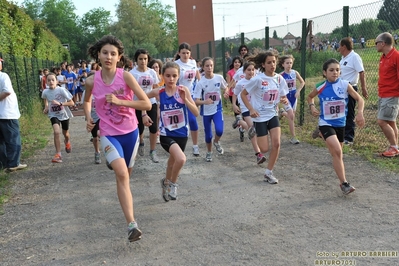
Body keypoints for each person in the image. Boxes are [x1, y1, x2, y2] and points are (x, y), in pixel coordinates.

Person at [83, 35, 151, 242]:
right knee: (121, 174)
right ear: (98, 55)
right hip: (108, 133)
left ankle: (114, 161)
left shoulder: (127, 77)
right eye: (105, 53)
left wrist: (122, 101)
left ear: (119, 57)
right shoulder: (91, 81)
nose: (108, 57)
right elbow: (86, 101)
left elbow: (146, 104)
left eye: (113, 54)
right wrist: (88, 118)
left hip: (130, 133)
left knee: (126, 177)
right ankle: (132, 225)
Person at [307, 58, 365, 195]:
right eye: (331, 70)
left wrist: (360, 113)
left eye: (337, 70)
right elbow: (310, 97)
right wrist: (312, 107)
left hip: (341, 124)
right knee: (338, 151)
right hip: (326, 122)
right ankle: (345, 183)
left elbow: (359, 99)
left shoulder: (345, 84)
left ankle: (341, 183)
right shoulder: (320, 86)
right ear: (325, 73)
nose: (335, 73)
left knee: (336, 155)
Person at [147, 62, 199, 201]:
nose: (171, 79)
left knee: (172, 162)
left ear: (178, 76)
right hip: (166, 134)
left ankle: (165, 183)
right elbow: (142, 98)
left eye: (174, 76)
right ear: (163, 76)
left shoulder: (183, 90)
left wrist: (185, 100)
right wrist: (144, 114)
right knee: (181, 159)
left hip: (182, 134)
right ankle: (173, 185)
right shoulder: (159, 92)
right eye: (168, 76)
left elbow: (196, 112)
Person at [240, 51, 289, 184]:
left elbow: (282, 95)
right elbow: (243, 94)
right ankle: (253, 130)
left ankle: (269, 172)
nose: (272, 64)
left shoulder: (279, 79)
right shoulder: (258, 79)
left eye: (274, 62)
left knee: (277, 143)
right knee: (264, 149)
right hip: (259, 117)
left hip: (273, 114)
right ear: (263, 64)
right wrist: (251, 109)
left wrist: (284, 100)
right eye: (269, 62)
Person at [194, 57, 228, 162]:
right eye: (207, 66)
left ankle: (216, 142)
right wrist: (205, 102)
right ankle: (209, 152)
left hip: (217, 109)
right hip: (206, 112)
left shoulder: (219, 78)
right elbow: (196, 101)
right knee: (208, 136)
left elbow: (225, 87)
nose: (209, 68)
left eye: (211, 65)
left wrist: (226, 91)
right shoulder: (200, 83)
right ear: (203, 68)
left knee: (219, 130)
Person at [129, 49, 160, 163]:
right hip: (137, 104)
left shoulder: (152, 72)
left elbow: (156, 86)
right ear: (136, 60)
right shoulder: (133, 74)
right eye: (140, 59)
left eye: (145, 59)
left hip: (151, 103)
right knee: (139, 128)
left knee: (153, 128)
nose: (143, 61)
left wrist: (158, 98)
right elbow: (132, 91)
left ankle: (152, 151)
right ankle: (141, 141)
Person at [233, 61, 266, 165]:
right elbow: (234, 94)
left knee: (252, 128)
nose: (251, 72)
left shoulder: (258, 81)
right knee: (252, 129)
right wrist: (234, 104)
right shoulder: (240, 83)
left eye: (253, 69)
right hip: (246, 108)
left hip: (256, 107)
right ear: (244, 71)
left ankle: (240, 122)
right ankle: (258, 154)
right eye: (249, 70)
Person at [338, 37, 368, 145]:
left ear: (344, 47)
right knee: (342, 111)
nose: (338, 48)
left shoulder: (354, 57)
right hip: (341, 88)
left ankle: (349, 138)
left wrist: (364, 88)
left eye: (339, 46)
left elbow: (361, 72)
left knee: (349, 112)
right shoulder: (343, 58)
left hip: (350, 87)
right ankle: (342, 134)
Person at [0, 58, 27, 172]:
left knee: (1, 141)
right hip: (7, 113)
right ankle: (13, 163)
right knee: (13, 139)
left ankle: (3, 163)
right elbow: (7, 91)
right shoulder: (3, 76)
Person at [375, 32, 399, 157]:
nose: (375, 45)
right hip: (383, 94)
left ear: (383, 43)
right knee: (391, 122)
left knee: (381, 121)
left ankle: (393, 147)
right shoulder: (384, 57)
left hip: (391, 94)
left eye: (376, 43)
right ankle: (395, 146)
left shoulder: (396, 56)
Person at [174, 42, 201, 156]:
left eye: (187, 53)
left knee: (193, 120)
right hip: (178, 95)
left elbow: (198, 76)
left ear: (190, 54)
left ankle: (195, 146)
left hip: (191, 95)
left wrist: (201, 87)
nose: (185, 55)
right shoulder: (175, 64)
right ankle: (177, 146)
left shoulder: (193, 63)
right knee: (180, 121)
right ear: (179, 53)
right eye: (183, 53)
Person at [42, 72, 74, 163]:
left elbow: (72, 103)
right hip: (53, 115)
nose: (51, 82)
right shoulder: (45, 92)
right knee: (56, 132)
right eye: (49, 80)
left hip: (64, 114)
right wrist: (46, 107)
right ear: (46, 82)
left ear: (56, 81)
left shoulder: (61, 90)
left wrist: (61, 103)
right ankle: (58, 154)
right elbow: (46, 100)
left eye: (53, 80)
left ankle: (67, 142)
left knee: (66, 133)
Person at [277, 54, 305, 144]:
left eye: (291, 63)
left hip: (294, 96)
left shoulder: (294, 72)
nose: (289, 65)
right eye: (287, 63)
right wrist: (281, 97)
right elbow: (276, 87)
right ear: (283, 64)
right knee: (291, 116)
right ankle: (293, 137)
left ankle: (282, 112)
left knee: (291, 115)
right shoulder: (280, 76)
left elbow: (302, 82)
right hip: (286, 97)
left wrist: (298, 91)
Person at [226, 56, 245, 141]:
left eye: (239, 62)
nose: (237, 64)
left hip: (242, 94)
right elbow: (229, 83)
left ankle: (242, 126)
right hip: (233, 94)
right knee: (237, 111)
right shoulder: (230, 72)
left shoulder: (244, 71)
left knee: (244, 112)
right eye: (235, 62)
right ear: (233, 63)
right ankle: (240, 124)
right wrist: (228, 89)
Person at [148, 58, 164, 144]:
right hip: (153, 98)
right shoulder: (150, 76)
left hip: (161, 98)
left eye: (157, 67)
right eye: (153, 67)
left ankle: (159, 133)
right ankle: (156, 133)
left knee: (159, 116)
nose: (155, 69)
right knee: (157, 116)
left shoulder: (163, 77)